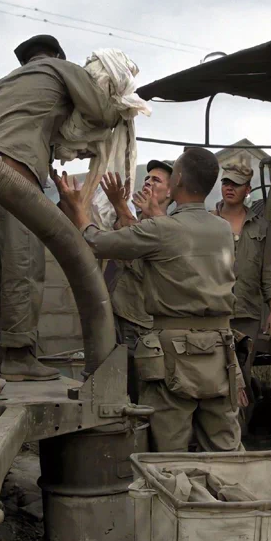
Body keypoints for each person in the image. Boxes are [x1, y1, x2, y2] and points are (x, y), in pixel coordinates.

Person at [55, 147, 247, 452]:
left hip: (174, 356)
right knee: (225, 448)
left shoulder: (162, 229)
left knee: (169, 451)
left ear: (178, 179)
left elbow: (97, 242)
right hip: (219, 352)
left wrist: (78, 210)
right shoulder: (223, 229)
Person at [0, 34, 123, 381]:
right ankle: (18, 355)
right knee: (23, 260)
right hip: (9, 165)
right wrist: (120, 105)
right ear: (57, 56)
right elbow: (100, 110)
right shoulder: (60, 69)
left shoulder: (7, 84)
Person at [212, 153, 271, 429]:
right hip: (214, 312)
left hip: (247, 314)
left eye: (236, 184)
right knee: (215, 375)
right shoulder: (209, 222)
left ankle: (239, 432)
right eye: (226, 182)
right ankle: (216, 431)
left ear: (247, 190)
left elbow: (268, 271)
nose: (229, 187)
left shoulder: (259, 227)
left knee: (242, 374)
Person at [99, 160, 173, 402]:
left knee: (134, 391)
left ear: (170, 192)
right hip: (112, 311)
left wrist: (121, 206)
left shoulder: (168, 227)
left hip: (136, 321)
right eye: (147, 178)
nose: (149, 182)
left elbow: (140, 259)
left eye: (157, 180)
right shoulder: (129, 218)